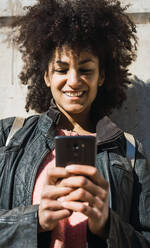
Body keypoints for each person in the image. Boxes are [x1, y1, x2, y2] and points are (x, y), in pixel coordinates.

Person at [0, 0, 150, 247]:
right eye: (61, 69)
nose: (74, 81)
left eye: (85, 70)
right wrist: (33, 219)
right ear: (47, 76)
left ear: (101, 76)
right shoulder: (8, 135)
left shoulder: (131, 152)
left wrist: (108, 226)